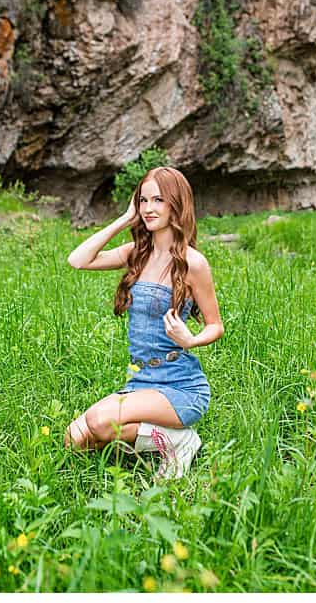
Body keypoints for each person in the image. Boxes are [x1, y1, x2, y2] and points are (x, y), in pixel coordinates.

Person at [63, 166, 222, 480]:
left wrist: (190, 340)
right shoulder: (137, 253)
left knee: (98, 421)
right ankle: (161, 441)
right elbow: (78, 260)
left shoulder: (193, 263)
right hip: (141, 379)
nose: (149, 208)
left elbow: (215, 325)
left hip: (180, 385)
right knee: (75, 439)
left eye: (158, 200)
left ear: (177, 204)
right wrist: (125, 218)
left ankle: (179, 441)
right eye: (143, 200)